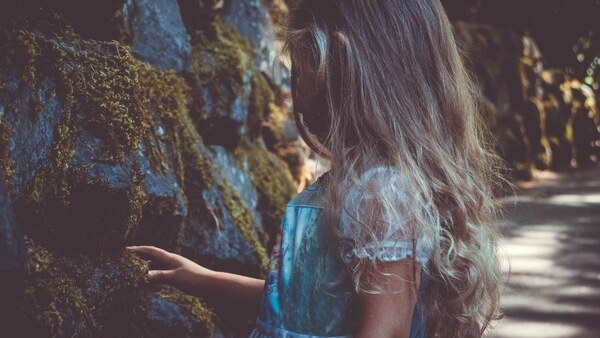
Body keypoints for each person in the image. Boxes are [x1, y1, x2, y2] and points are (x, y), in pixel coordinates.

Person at [127, 0, 505, 337]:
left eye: (299, 62)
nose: (293, 81)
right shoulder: (362, 185)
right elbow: (308, 307)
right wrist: (205, 280)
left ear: (336, 60)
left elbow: (385, 331)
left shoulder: (380, 194)